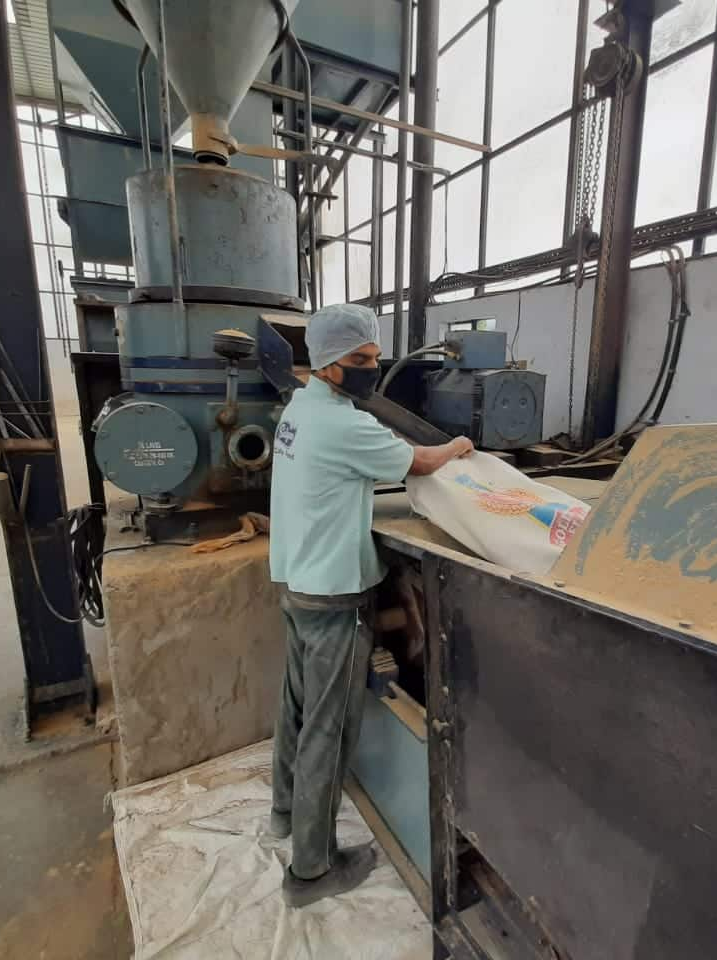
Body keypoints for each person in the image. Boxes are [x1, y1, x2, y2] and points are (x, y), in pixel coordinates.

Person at [268, 303, 473, 908]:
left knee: (296, 708)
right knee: (327, 733)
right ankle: (310, 870)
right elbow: (423, 461)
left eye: (376, 357)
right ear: (330, 366)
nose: (372, 368)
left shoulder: (300, 409)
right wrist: (461, 444)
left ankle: (284, 814)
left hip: (298, 583)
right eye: (361, 361)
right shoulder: (344, 425)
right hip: (334, 597)